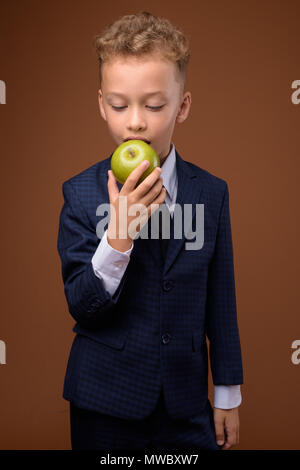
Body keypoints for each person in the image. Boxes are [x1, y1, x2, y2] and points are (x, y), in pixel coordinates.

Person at [57, 11, 243, 452]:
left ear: (183, 105)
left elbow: (222, 301)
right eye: (120, 106)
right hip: (103, 403)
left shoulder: (211, 193)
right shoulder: (80, 193)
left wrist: (228, 394)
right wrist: (117, 237)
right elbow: (82, 306)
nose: (136, 122)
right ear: (102, 104)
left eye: (154, 105)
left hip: (185, 406)